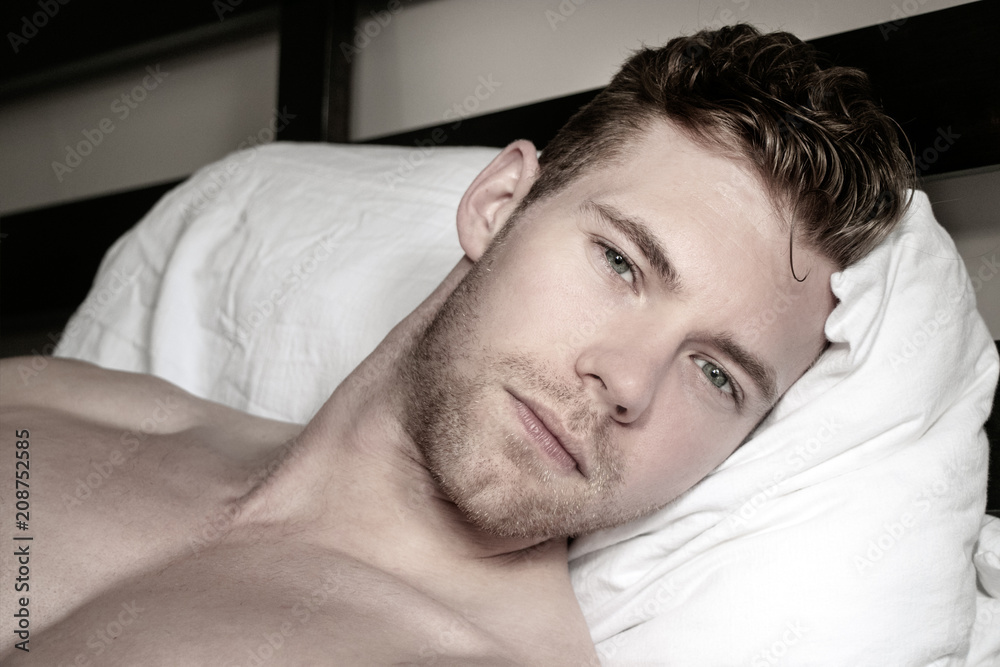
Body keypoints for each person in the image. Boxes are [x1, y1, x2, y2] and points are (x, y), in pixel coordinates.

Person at [0, 24, 912, 665]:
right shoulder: (58, 399)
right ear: (498, 204)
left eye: (716, 373)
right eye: (621, 262)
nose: (628, 381)